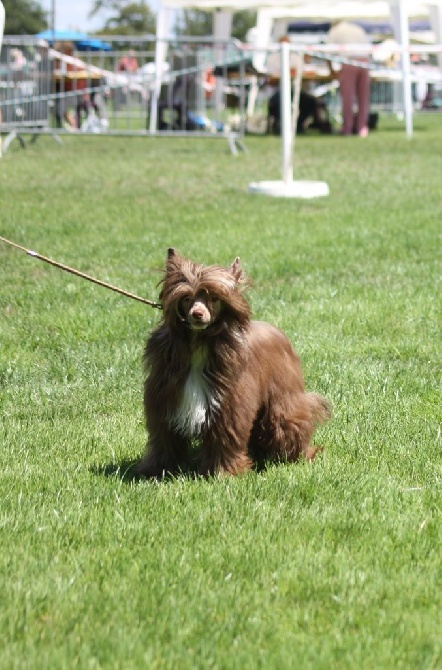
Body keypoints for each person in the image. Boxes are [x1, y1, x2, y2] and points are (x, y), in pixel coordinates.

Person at [266, 35, 331, 135]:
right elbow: (271, 80)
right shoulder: (272, 58)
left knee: (311, 103)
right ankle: (281, 126)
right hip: (278, 92)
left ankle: (298, 125)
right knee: (281, 100)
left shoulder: (295, 58)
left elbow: (301, 72)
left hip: (295, 90)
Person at [326, 20, 371, 137]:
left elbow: (327, 52)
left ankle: (348, 128)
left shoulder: (335, 31)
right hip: (365, 61)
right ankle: (362, 127)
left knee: (348, 97)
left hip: (348, 61)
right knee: (363, 97)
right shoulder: (358, 28)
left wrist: (331, 70)